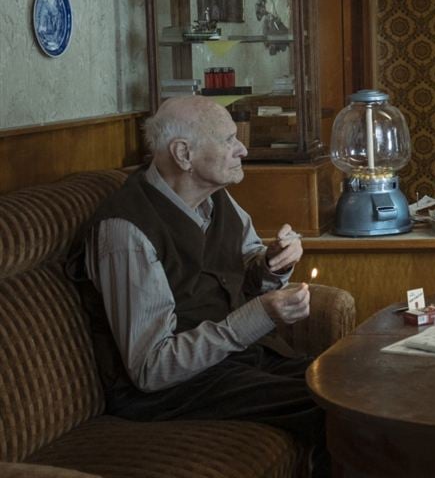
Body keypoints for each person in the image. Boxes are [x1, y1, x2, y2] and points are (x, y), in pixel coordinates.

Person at [67, 95, 329, 475]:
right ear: (184, 154)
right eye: (227, 140)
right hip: (173, 390)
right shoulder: (126, 232)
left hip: (232, 362)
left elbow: (248, 262)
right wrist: (258, 315)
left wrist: (273, 266)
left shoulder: (216, 199)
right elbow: (152, 368)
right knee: (329, 407)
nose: (242, 148)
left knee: (344, 383)